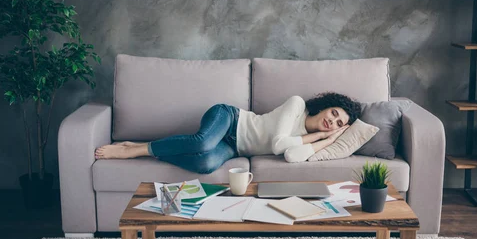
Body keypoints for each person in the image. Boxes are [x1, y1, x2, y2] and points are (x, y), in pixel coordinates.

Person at [94, 92, 361, 173]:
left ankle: (156, 152)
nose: (332, 122)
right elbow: (280, 144)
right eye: (334, 113)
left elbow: (291, 156)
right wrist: (318, 137)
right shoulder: (298, 104)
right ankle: (135, 150)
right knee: (202, 141)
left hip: (236, 147)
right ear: (326, 107)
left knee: (206, 163)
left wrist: (325, 140)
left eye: (339, 125)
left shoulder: (317, 137)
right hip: (230, 119)